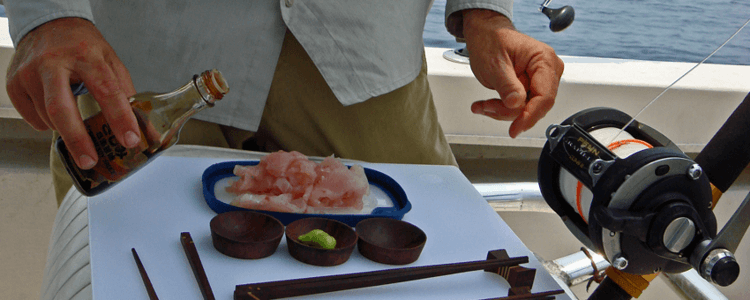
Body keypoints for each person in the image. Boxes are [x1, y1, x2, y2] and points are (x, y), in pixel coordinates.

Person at [5, 1, 564, 205]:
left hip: (365, 61)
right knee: (118, 268)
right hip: (145, 64)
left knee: (426, 267)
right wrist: (48, 14)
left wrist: (484, 11)